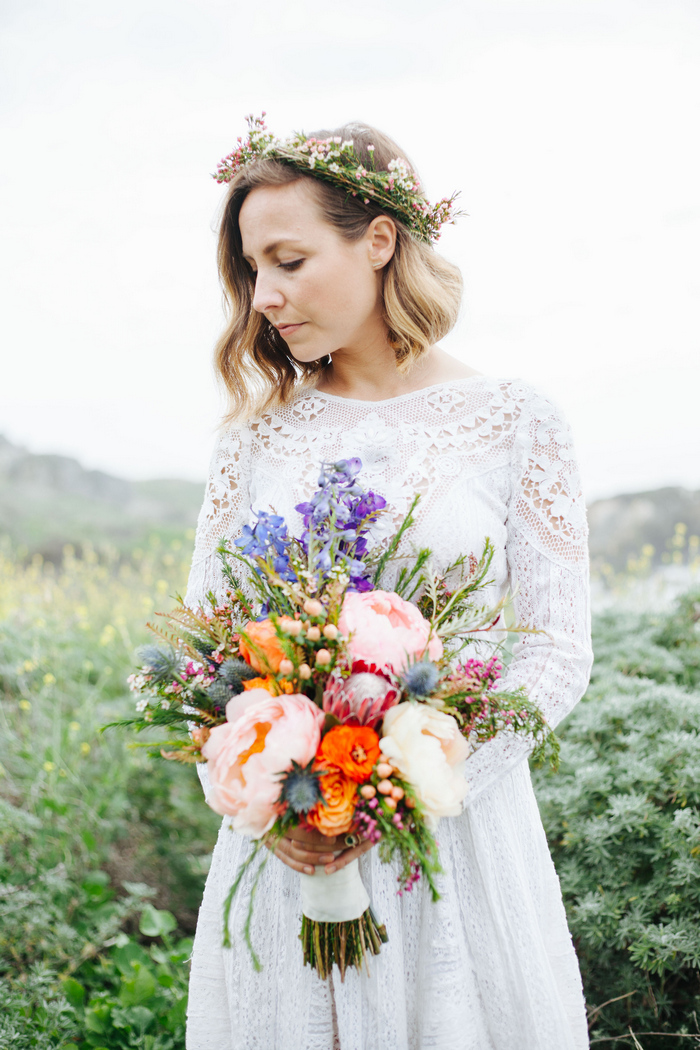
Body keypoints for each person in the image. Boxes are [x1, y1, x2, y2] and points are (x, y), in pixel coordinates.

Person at [184, 115, 593, 1050]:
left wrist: (399, 793)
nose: (266, 297)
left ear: (378, 242)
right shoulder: (253, 437)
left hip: (459, 840)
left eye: (289, 260)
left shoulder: (516, 421)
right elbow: (201, 647)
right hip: (289, 849)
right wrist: (272, 791)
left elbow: (555, 652)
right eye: (253, 272)